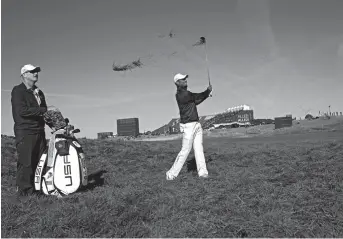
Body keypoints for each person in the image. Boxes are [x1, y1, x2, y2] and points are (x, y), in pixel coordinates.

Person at [11, 64, 56, 197]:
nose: (36, 73)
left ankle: (38, 189)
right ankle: (25, 192)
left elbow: (44, 114)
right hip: (25, 132)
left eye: (36, 71)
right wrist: (44, 110)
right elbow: (21, 111)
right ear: (24, 74)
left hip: (39, 132)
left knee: (40, 161)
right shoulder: (18, 91)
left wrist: (53, 126)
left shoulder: (39, 92)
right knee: (26, 162)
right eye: (32, 71)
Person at [166, 73, 212, 180]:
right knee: (185, 150)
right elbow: (196, 96)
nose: (185, 80)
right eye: (183, 79)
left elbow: (196, 101)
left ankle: (203, 173)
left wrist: (206, 95)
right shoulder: (182, 95)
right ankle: (171, 174)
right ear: (177, 83)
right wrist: (207, 91)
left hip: (196, 124)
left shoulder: (187, 95)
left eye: (185, 79)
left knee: (199, 149)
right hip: (188, 126)